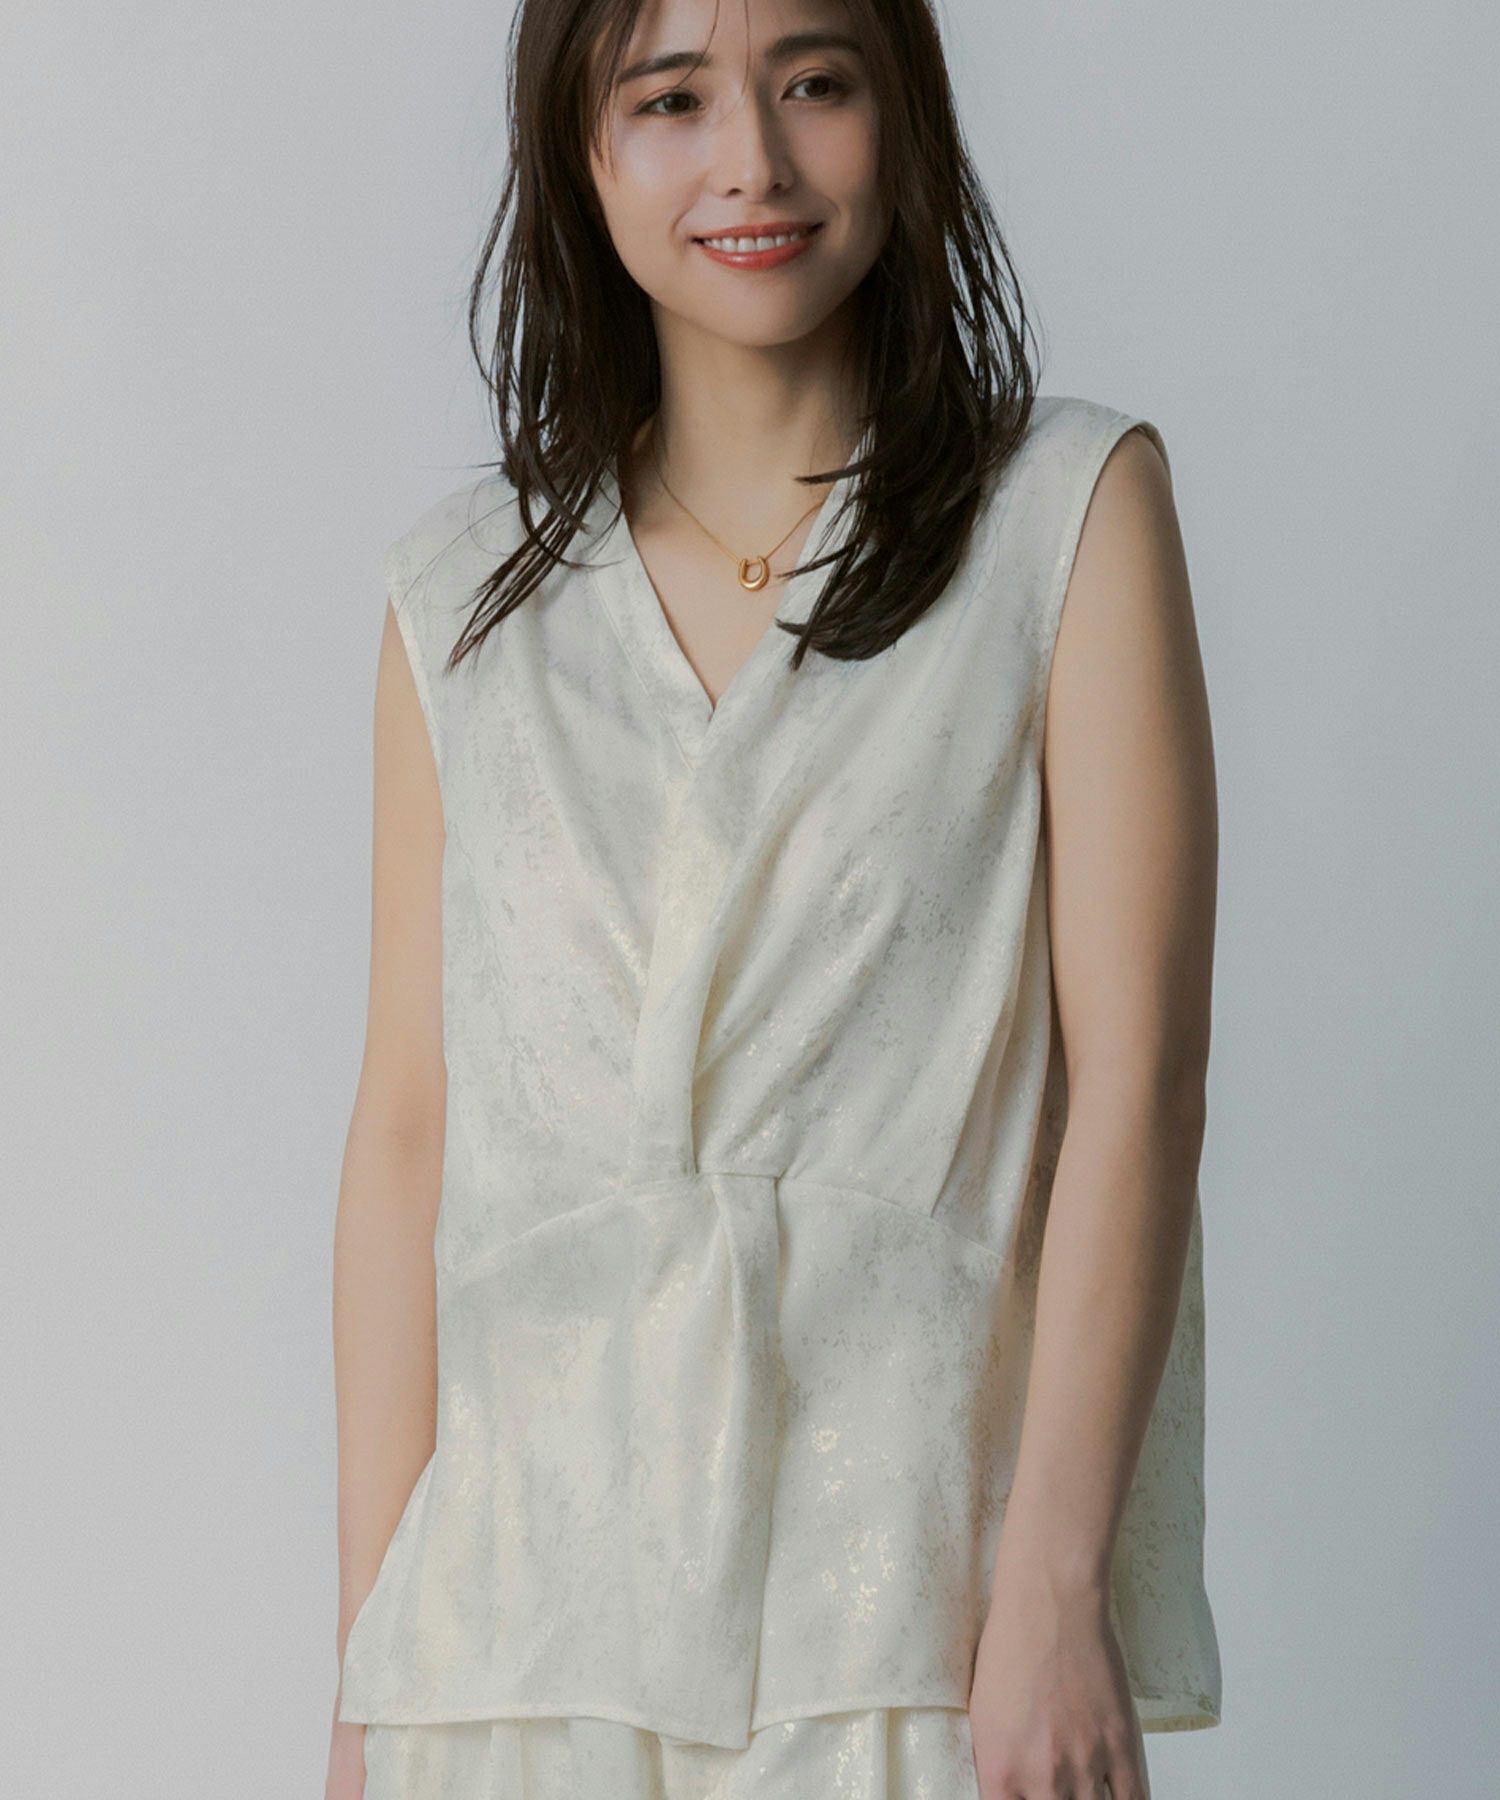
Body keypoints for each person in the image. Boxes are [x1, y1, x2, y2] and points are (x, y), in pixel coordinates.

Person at [325, 1, 1222, 1796]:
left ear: (905, 113)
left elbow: (1139, 1082)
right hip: (509, 1655)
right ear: (580, 155)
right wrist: (367, 1691)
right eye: (671, 98)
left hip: (911, 1624)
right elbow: (410, 1138)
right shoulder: (462, 603)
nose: (753, 160)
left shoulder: (1065, 516)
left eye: (814, 83)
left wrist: (1055, 1589)